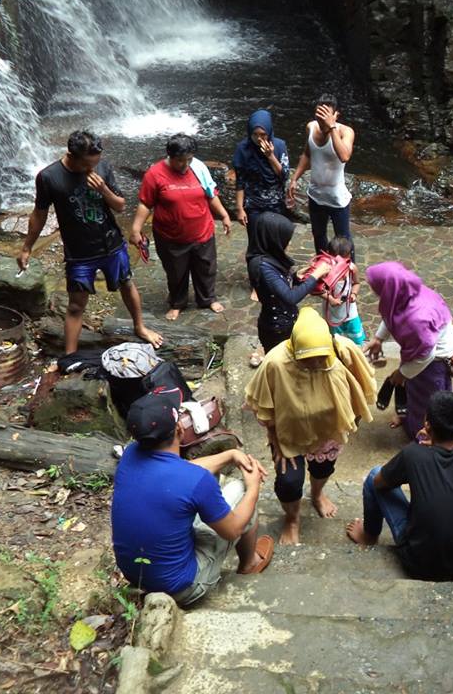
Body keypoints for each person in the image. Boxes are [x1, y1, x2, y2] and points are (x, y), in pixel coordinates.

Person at [111, 388, 274, 607]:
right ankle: (249, 563)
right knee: (241, 490)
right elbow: (233, 529)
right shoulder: (195, 480)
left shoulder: (130, 454)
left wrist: (230, 455)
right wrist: (253, 487)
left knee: (210, 490)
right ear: (179, 428)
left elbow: (182, 470)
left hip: (138, 576)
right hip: (182, 587)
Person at [19, 130, 162, 354]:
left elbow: (120, 206)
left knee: (126, 283)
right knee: (76, 305)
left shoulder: (102, 168)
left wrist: (103, 189)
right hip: (79, 252)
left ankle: (140, 326)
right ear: (71, 155)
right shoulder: (49, 177)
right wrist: (27, 246)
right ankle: (69, 356)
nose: (91, 168)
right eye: (87, 164)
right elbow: (39, 214)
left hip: (111, 243)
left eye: (95, 162)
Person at [245, 307, 376, 545]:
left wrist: (350, 421)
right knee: (288, 483)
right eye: (308, 359)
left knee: (323, 469)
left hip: (327, 430)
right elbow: (263, 406)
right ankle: (292, 519)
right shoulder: (275, 363)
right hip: (288, 434)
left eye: (320, 357)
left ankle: (317, 495)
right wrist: (274, 439)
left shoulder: (341, 350)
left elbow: (361, 384)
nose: (316, 363)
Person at [345, 391, 453, 583]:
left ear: (427, 424)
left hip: (417, 565)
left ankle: (369, 535)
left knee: (373, 475)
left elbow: (378, 483)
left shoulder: (413, 454)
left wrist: (417, 462)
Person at [131, 134, 234, 321]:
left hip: (202, 230)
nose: (185, 164)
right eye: (180, 161)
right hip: (170, 235)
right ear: (170, 157)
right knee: (176, 272)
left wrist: (225, 215)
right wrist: (136, 229)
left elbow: (211, 193)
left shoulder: (198, 167)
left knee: (206, 268)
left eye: (189, 159)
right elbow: (145, 203)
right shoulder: (155, 174)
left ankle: (207, 298)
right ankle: (178, 303)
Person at [362, 262, 453, 441]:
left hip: (434, 359)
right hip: (421, 350)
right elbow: (392, 314)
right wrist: (378, 338)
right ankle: (407, 415)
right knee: (412, 388)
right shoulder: (407, 292)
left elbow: (426, 354)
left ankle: (423, 436)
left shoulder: (417, 319)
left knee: (427, 399)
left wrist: (402, 372)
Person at [248, 213, 331, 367]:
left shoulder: (268, 259)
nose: (289, 244)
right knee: (282, 368)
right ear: (273, 239)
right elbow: (290, 297)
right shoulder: (262, 266)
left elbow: (276, 287)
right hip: (277, 329)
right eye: (286, 240)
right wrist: (316, 275)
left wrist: (296, 276)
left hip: (284, 322)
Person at [287, 94, 355, 258]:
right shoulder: (311, 127)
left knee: (343, 240)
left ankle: (349, 274)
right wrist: (294, 178)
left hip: (337, 198)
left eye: (325, 116)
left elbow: (344, 156)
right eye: (319, 116)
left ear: (335, 115)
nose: (321, 120)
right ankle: (323, 268)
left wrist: (331, 128)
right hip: (316, 195)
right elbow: (307, 154)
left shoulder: (346, 132)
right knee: (318, 236)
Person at [232, 110, 290, 292]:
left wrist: (270, 156)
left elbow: (284, 175)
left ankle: (278, 276)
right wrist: (239, 208)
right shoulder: (243, 149)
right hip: (254, 204)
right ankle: (257, 283)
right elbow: (240, 180)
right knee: (256, 246)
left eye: (263, 135)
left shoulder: (279, 145)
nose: (259, 139)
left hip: (276, 205)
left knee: (277, 243)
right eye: (255, 135)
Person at [321, 236, 366, 345]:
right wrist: (330, 298)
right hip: (332, 312)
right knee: (335, 340)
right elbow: (318, 289)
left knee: (357, 337)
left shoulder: (351, 268)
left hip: (349, 310)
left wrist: (354, 294)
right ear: (329, 255)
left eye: (345, 258)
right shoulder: (325, 270)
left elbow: (356, 283)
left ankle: (358, 352)